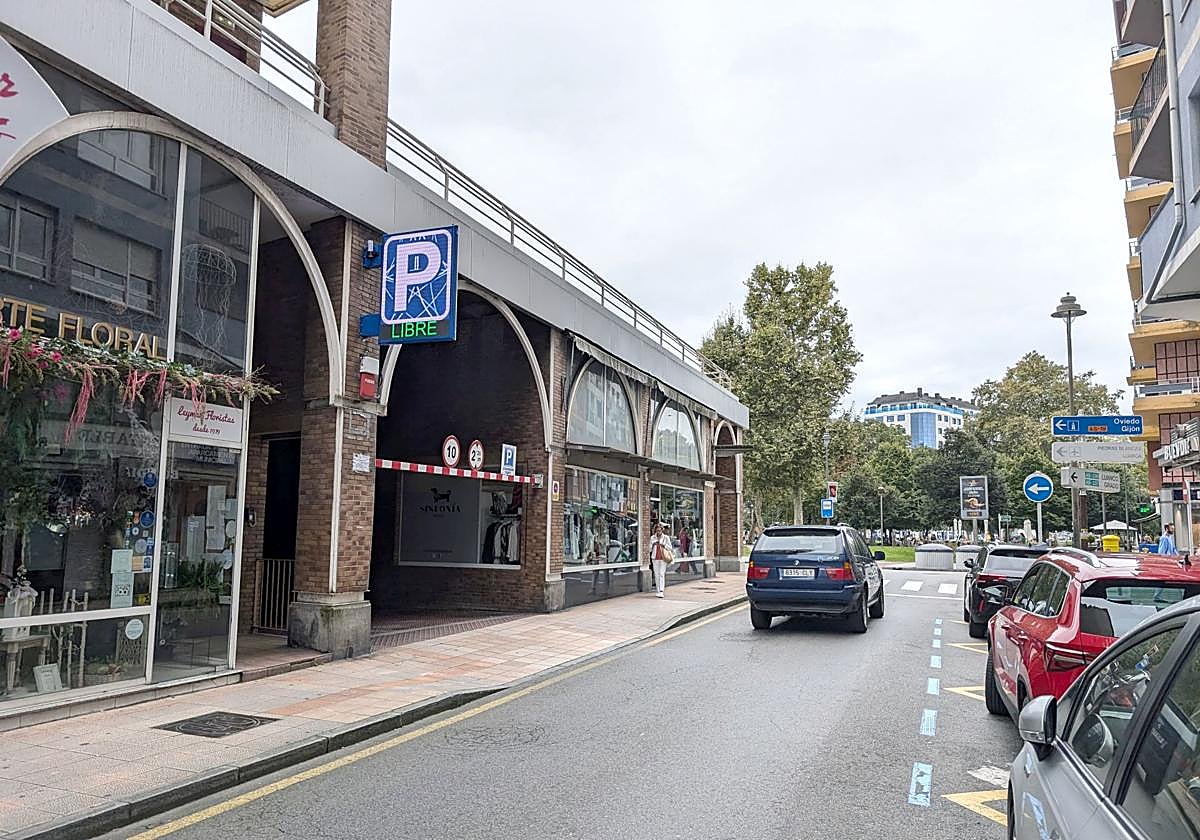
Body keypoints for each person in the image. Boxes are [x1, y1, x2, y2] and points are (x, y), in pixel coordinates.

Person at [649, 521, 674, 598]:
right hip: (655, 558)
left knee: (661, 573)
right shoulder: (652, 538)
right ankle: (657, 589)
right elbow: (649, 549)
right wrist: (653, 545)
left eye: (659, 530)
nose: (658, 532)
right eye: (657, 530)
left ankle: (661, 591)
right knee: (656, 574)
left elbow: (670, 548)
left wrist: (663, 545)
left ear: (662, 530)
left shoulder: (666, 538)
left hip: (663, 557)